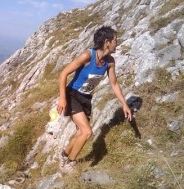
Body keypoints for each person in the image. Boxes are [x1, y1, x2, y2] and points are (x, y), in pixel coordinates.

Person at [57, 26, 133, 173]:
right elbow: (63, 73)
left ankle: (64, 154)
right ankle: (70, 163)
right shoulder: (87, 56)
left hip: (86, 98)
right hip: (72, 95)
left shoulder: (110, 62)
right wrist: (62, 98)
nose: (117, 43)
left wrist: (124, 104)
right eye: (115, 40)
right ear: (107, 42)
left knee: (80, 132)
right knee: (87, 132)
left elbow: (114, 83)